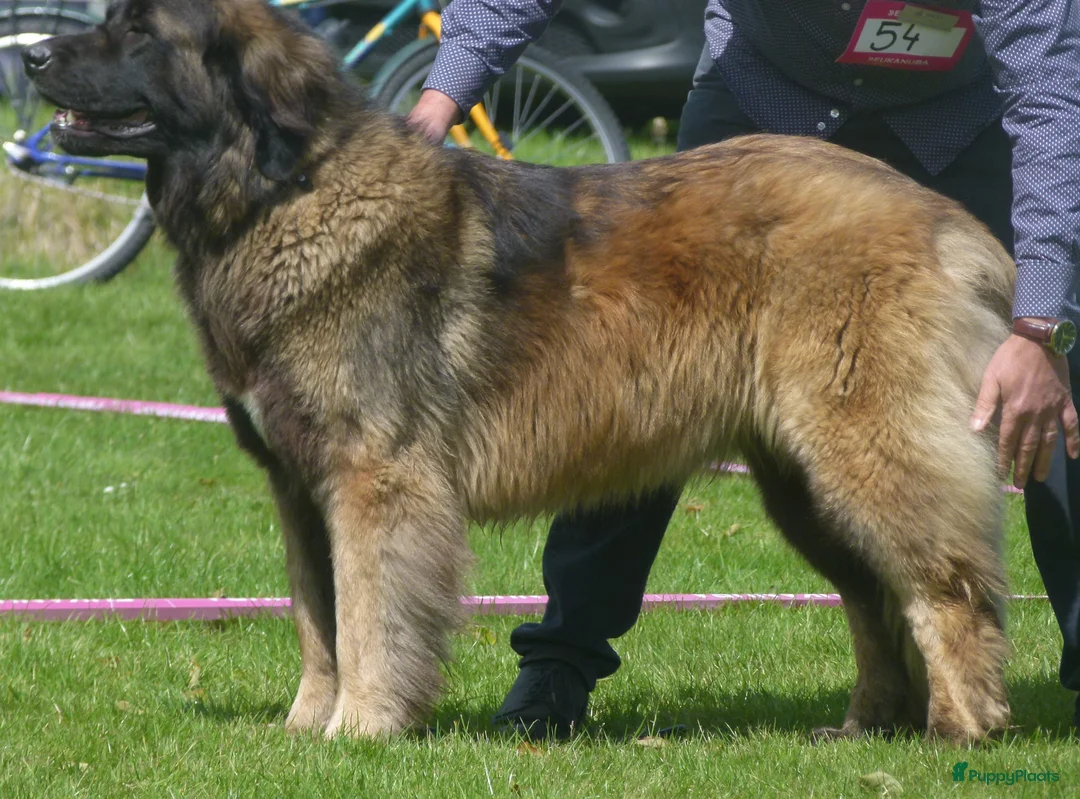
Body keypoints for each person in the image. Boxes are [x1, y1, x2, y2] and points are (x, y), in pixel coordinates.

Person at [405, 0, 1080, 739]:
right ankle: (560, 660)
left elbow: (1050, 90)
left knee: (1057, 394)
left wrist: (1041, 323)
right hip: (764, 93)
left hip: (953, 119)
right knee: (627, 381)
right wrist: (443, 97)